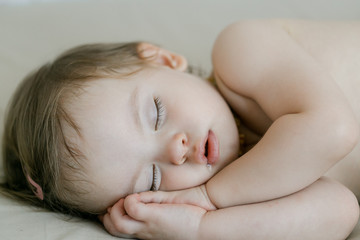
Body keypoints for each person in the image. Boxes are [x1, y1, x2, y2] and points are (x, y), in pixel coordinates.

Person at [1, 19, 360, 239]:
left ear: (164, 60)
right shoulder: (235, 188)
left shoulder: (241, 51)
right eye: (153, 181)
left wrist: (208, 199)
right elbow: (340, 212)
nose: (176, 151)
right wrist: (200, 229)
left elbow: (334, 129)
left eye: (156, 114)